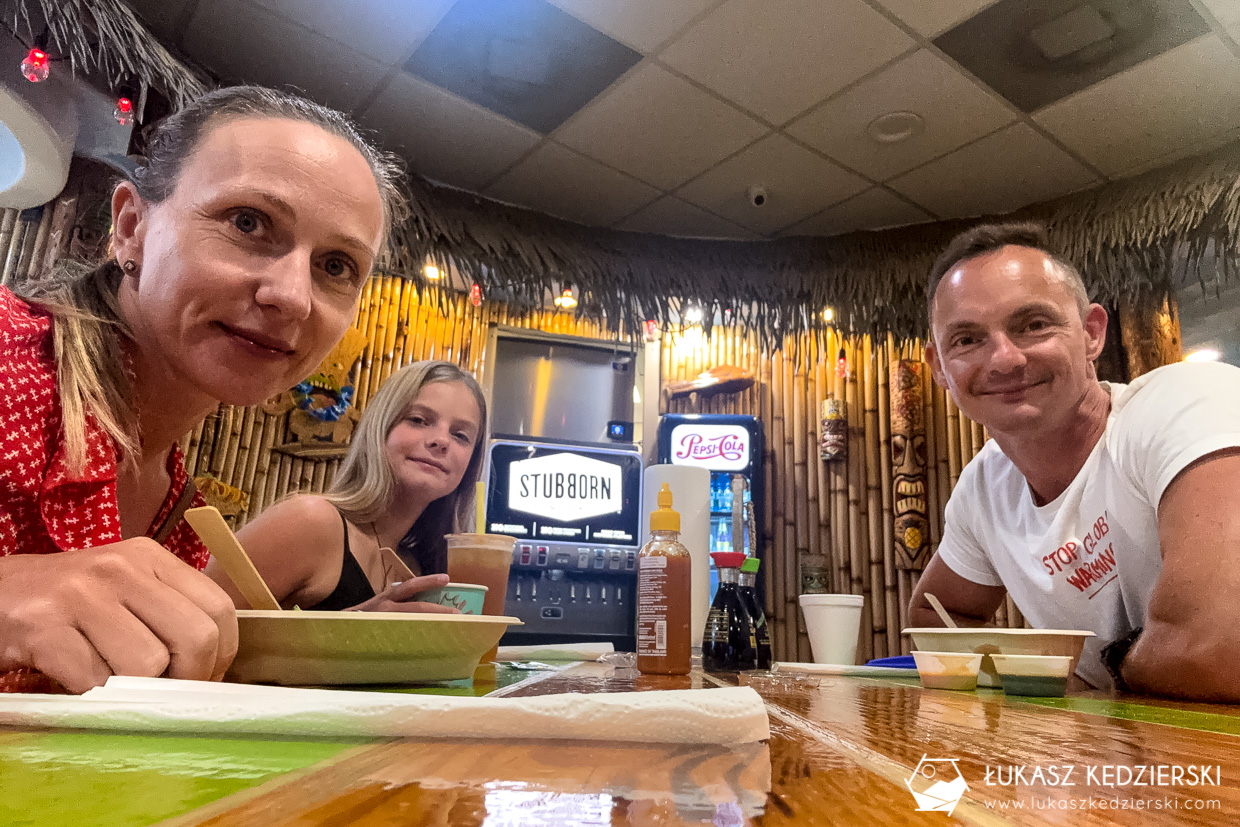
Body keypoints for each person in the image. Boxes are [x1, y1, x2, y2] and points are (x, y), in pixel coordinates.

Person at [0, 85, 407, 694]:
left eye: (335, 266)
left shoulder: (181, 516)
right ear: (132, 227)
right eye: (248, 223)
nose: (292, 296)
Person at [907, 222, 1240, 700]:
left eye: (1033, 325)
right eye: (966, 340)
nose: (1004, 359)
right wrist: (1055, 687)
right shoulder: (984, 490)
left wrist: (1098, 674)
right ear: (940, 367)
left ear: (1091, 333)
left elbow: (1218, 644)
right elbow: (934, 614)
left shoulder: (1188, 403)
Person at [211, 360, 487, 612]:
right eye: (418, 420)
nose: (441, 440)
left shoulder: (425, 566)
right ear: (381, 427)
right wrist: (354, 628)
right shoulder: (311, 521)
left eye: (461, 435)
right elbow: (197, 625)